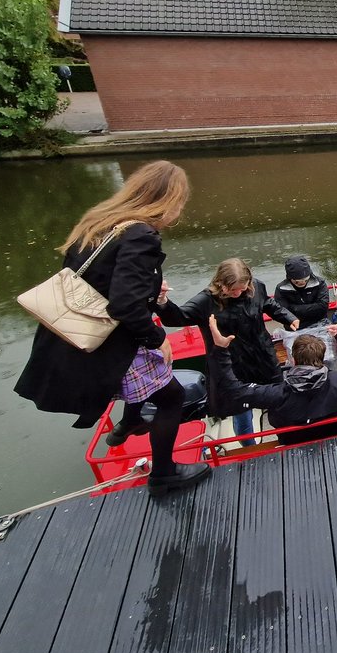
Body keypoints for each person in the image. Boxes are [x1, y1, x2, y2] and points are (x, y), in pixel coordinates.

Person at [15, 160, 210, 497]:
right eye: (180, 203)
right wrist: (158, 338)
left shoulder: (102, 223)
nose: (179, 211)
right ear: (168, 200)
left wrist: (148, 289)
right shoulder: (142, 236)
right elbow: (125, 307)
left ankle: (128, 423)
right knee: (172, 398)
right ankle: (164, 474)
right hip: (113, 338)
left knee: (153, 389)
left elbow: (93, 278)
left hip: (74, 334)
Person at [155, 258, 296, 447]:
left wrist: (287, 316)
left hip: (262, 355)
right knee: (241, 409)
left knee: (278, 398)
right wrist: (163, 301)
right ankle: (249, 447)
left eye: (242, 288)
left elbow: (269, 304)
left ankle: (286, 437)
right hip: (229, 362)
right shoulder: (206, 300)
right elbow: (179, 317)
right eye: (232, 290)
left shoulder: (256, 287)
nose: (238, 293)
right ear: (220, 283)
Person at [208, 316, 337, 447]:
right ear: (322, 359)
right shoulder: (336, 380)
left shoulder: (277, 392)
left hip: (290, 444)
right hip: (332, 438)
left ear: (293, 360)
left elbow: (233, 390)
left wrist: (221, 350)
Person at [273, 255, 331, 327]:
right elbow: (282, 312)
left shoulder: (320, 283)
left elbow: (323, 307)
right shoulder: (281, 289)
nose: (302, 283)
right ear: (290, 278)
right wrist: (314, 307)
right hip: (295, 326)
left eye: (305, 280)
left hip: (320, 322)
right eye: (297, 281)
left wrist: (293, 308)